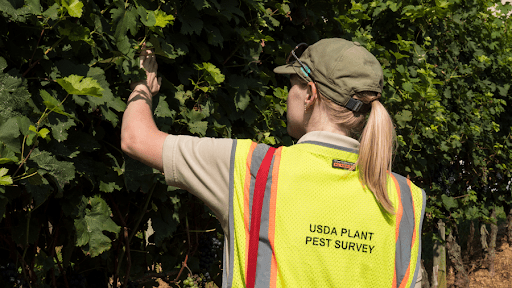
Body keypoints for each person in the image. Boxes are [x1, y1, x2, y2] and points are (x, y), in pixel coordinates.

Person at [121, 38, 426, 288]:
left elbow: (136, 139)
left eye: (292, 83)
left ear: (309, 94)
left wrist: (143, 85)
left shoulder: (253, 168)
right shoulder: (406, 198)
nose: (287, 93)